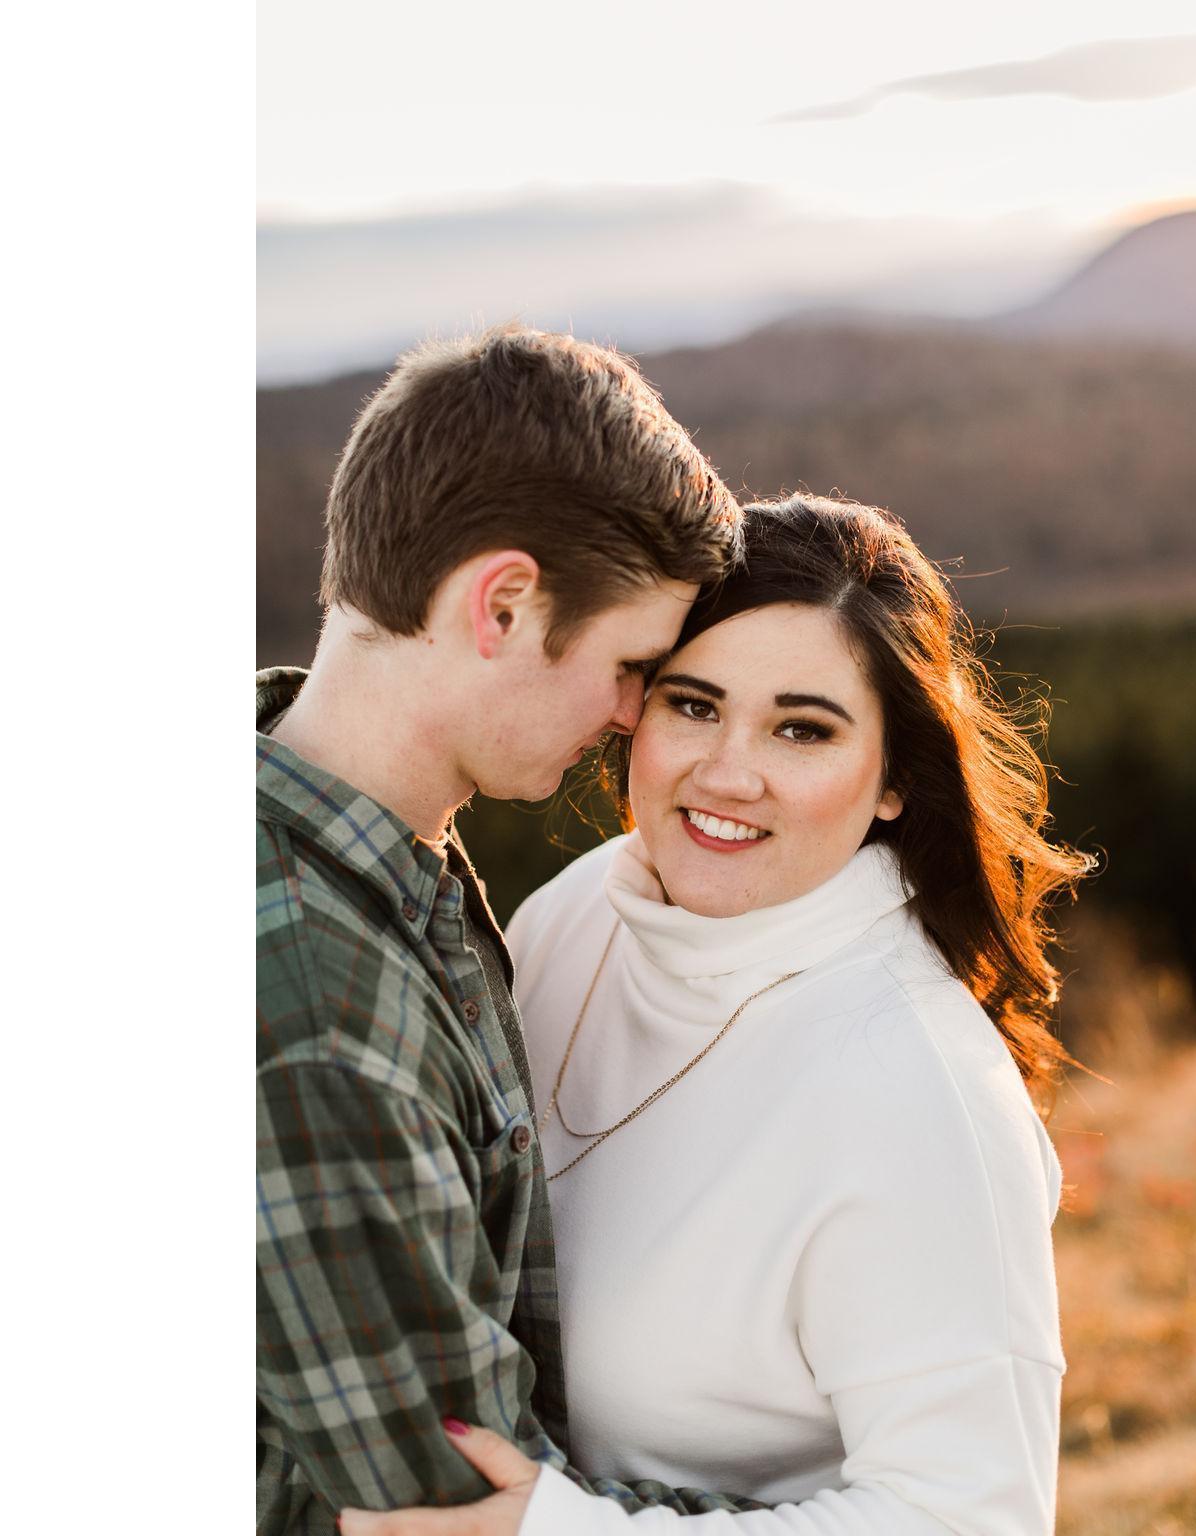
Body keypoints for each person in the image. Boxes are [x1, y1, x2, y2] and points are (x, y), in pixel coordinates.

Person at [344, 496, 1094, 1535]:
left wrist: (563, 1533)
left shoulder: (922, 1098)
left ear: (893, 781)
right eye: (693, 704)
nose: (728, 774)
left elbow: (973, 1517)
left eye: (802, 728)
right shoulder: (579, 912)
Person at [258, 323, 767, 1533]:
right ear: (502, 604)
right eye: (633, 662)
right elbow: (453, 1509)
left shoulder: (375, 869)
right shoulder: (317, 1010)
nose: (638, 715)